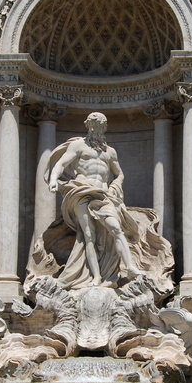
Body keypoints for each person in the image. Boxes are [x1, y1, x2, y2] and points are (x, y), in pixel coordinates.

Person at [45, 112, 142, 287]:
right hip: (82, 191)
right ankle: (96, 276)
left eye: (100, 126)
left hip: (104, 194)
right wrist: (53, 180)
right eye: (93, 125)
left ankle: (130, 267)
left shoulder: (110, 152)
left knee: (115, 228)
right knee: (88, 235)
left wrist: (115, 186)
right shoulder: (78, 146)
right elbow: (61, 163)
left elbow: (119, 174)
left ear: (104, 128)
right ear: (87, 126)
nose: (96, 129)